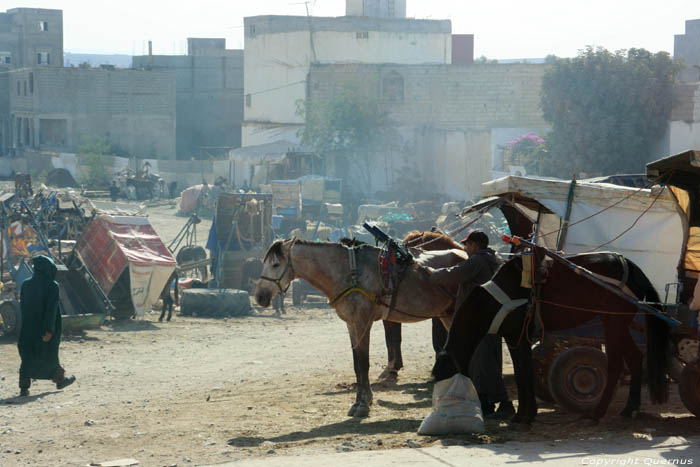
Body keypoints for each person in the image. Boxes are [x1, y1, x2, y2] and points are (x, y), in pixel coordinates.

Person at [427, 230, 515, 419]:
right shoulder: (493, 259)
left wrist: (432, 274)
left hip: (478, 319)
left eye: (467, 245)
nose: (465, 248)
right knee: (488, 361)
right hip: (491, 318)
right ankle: (490, 404)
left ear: (475, 245)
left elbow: (454, 274)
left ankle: (498, 404)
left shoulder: (476, 261)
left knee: (482, 362)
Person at [17, 255, 76, 397]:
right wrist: (49, 329)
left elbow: (23, 307)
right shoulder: (52, 286)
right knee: (50, 354)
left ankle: (24, 388)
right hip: (45, 328)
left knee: (28, 356)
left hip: (27, 328)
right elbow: (51, 310)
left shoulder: (25, 284)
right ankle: (60, 380)